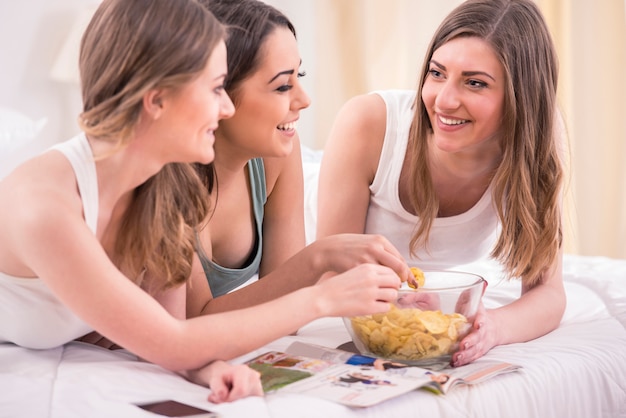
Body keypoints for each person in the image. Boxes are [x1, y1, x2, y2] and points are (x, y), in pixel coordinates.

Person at [0, 0, 404, 404]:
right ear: (156, 101)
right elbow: (174, 339)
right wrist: (322, 299)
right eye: (215, 89)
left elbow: (173, 331)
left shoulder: (159, 186)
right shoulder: (45, 206)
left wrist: (209, 368)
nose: (226, 107)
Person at [317, 0, 566, 367]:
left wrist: (493, 326)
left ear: (521, 99)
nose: (444, 101)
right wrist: (404, 303)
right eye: (437, 73)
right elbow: (330, 272)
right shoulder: (369, 122)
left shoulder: (535, 145)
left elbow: (549, 293)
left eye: (475, 83)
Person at [187, 0, 411, 316]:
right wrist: (317, 258)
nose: (304, 100)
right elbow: (191, 326)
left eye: (300, 74)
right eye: (282, 86)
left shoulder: (277, 157)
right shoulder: (175, 179)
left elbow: (286, 313)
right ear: (217, 92)